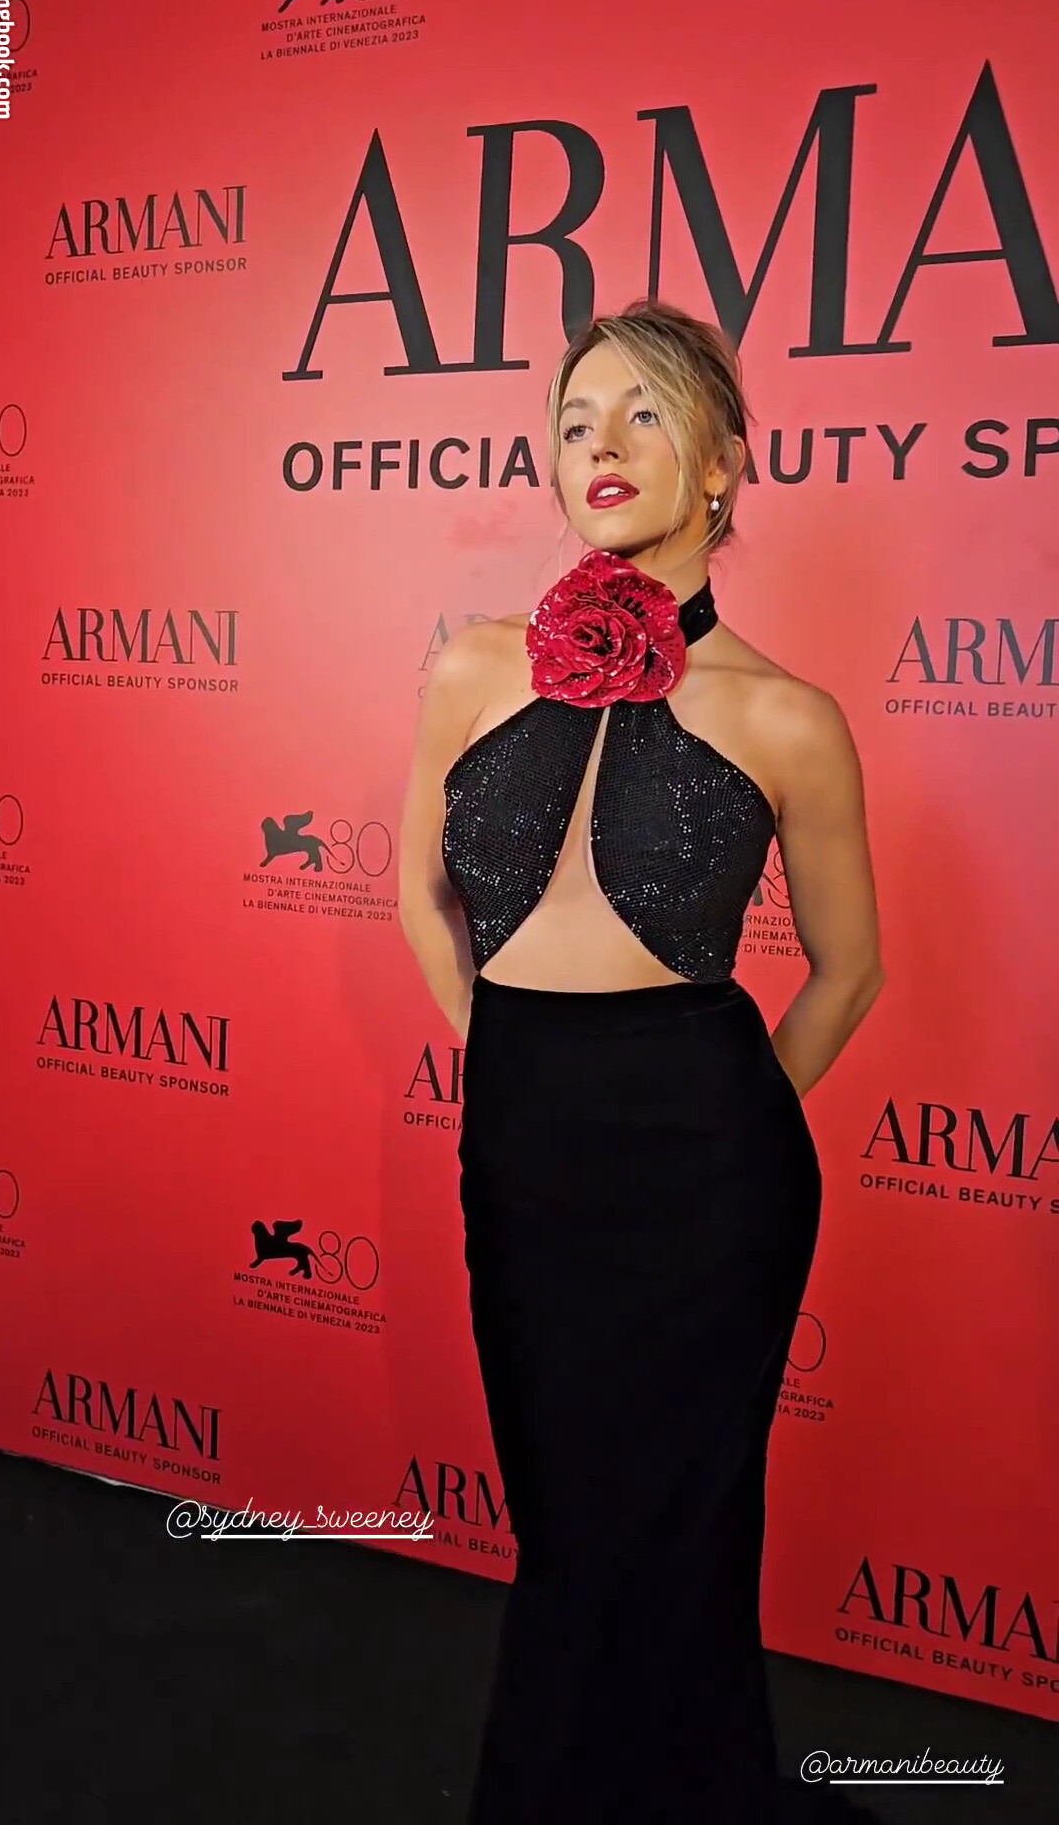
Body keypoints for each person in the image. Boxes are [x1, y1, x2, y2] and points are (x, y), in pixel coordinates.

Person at [398, 297, 885, 1824]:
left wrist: (730, 1117)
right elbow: (418, 894)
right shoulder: (473, 668)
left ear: (724, 462)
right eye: (573, 421)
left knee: (677, 1527)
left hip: (708, 1172)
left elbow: (851, 969)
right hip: (525, 1141)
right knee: (565, 1513)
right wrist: (512, 1064)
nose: (598, 445)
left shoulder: (787, 716)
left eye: (645, 412)